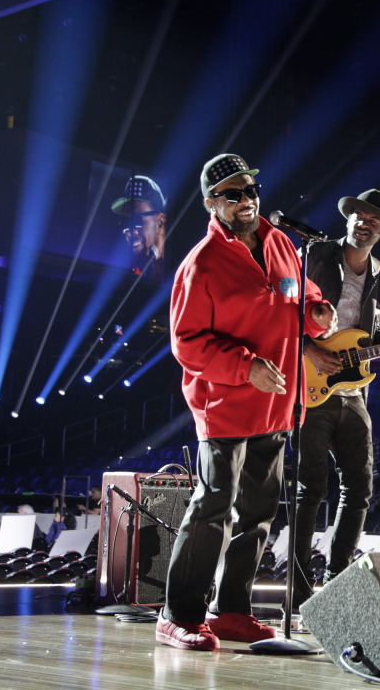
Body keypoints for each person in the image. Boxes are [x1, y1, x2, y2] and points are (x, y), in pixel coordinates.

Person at [156, 154, 336, 652]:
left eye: (250, 189)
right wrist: (245, 366)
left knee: (258, 512)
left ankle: (230, 610)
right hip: (224, 406)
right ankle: (179, 614)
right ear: (211, 203)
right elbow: (187, 344)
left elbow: (302, 300)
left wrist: (318, 314)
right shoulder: (202, 263)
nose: (246, 199)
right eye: (233, 194)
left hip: (277, 405)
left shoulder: (281, 243)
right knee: (214, 507)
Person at [292, 189, 380, 610]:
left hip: (353, 392)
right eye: (359, 215)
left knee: (359, 489)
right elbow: (278, 308)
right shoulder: (314, 255)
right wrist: (305, 347)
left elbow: (367, 336)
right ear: (348, 219)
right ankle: (296, 590)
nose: (364, 222)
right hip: (310, 385)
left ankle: (336, 583)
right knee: (309, 489)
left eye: (373, 219)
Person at [111, 174, 167, 280]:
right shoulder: (130, 275)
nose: (131, 233)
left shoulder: (181, 268)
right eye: (126, 223)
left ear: (160, 221)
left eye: (137, 221)